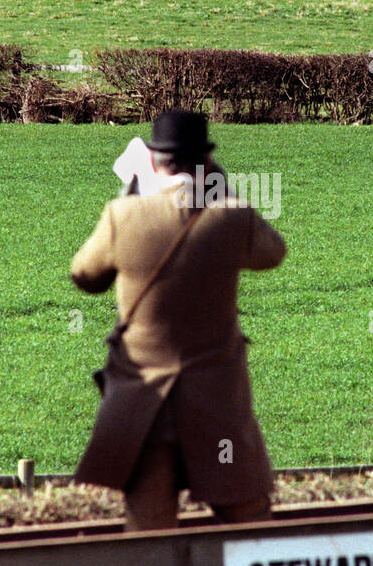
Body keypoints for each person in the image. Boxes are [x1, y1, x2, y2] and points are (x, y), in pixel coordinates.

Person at [71, 110, 285, 531]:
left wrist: (132, 201)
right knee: (251, 528)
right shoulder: (232, 218)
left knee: (147, 537)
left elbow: (84, 276)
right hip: (218, 404)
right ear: (206, 164)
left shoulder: (122, 216)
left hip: (144, 406)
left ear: (152, 161)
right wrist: (221, 194)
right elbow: (272, 252)